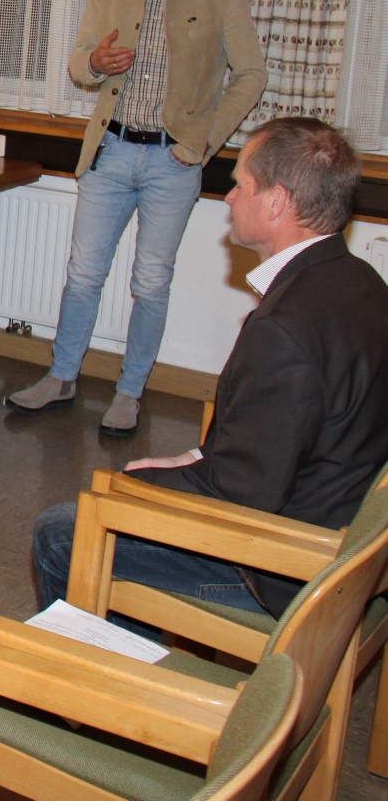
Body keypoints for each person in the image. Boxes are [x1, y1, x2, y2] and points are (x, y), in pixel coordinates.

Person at [33, 117, 388, 621]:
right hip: (348, 535)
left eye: (242, 185)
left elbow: (242, 492)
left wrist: (140, 488)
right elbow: (286, 435)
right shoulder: (363, 282)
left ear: (276, 202)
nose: (229, 198)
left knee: (64, 531)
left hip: (286, 573)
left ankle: (109, 664)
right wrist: (194, 458)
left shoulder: (284, 329)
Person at [7, 0, 268, 435]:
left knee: (150, 281)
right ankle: (61, 376)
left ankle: (129, 393)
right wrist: (95, 63)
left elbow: (251, 75)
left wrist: (204, 140)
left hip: (173, 161)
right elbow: (79, 63)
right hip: (111, 151)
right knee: (83, 273)